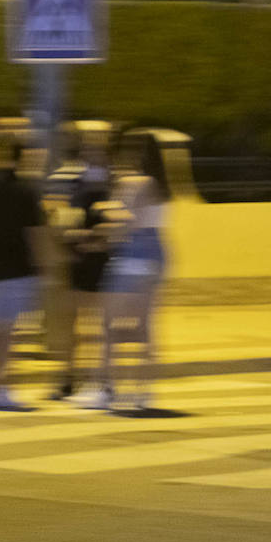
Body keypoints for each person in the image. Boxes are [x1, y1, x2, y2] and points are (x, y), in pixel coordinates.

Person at [0, 134, 45, 410]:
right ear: (21, 157)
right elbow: (35, 234)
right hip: (19, 267)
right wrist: (43, 268)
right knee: (6, 331)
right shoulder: (26, 191)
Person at [53, 136, 124, 407]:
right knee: (73, 324)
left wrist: (93, 239)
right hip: (78, 262)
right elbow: (62, 219)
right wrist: (73, 237)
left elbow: (119, 226)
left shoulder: (116, 185)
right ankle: (69, 378)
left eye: (95, 151)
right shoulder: (75, 183)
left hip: (105, 263)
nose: (90, 155)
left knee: (102, 325)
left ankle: (103, 379)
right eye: (86, 151)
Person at [105, 131, 170, 413]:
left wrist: (106, 209)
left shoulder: (135, 182)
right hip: (157, 253)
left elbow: (126, 219)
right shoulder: (163, 185)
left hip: (133, 253)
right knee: (145, 325)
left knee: (111, 324)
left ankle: (110, 388)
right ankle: (144, 390)